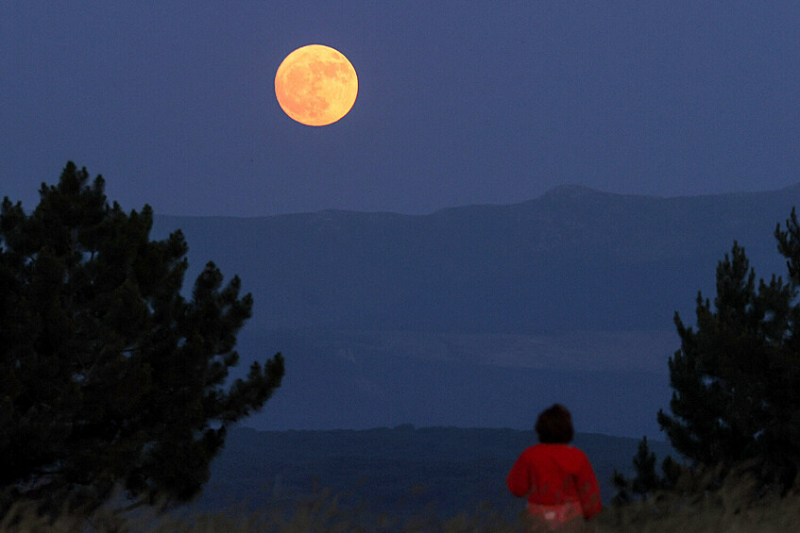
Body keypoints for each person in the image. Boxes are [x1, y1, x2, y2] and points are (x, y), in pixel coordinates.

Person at [507, 404, 602, 532]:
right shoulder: (577, 456)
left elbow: (516, 487)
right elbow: (590, 495)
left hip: (538, 521)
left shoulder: (530, 455)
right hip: (571, 522)